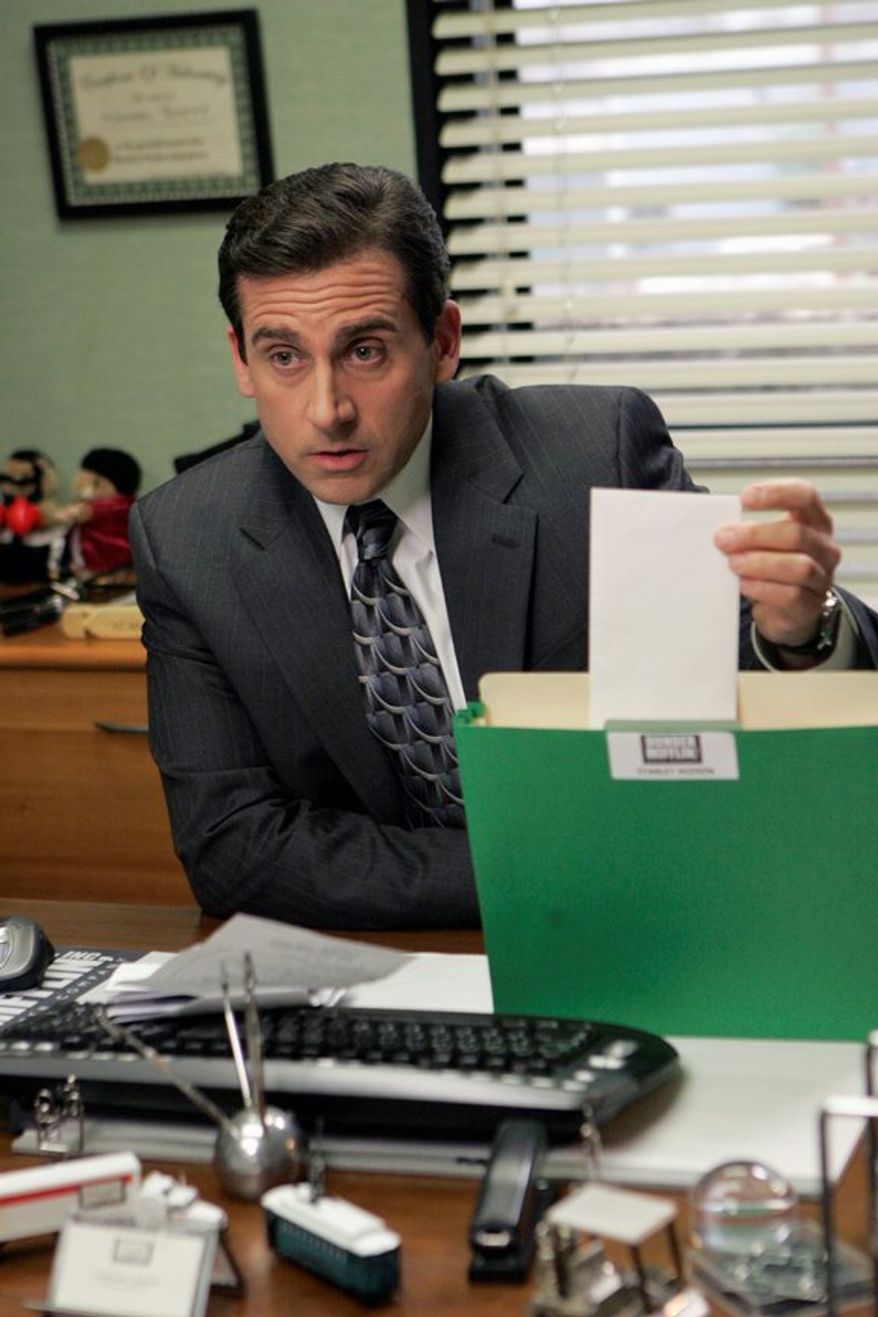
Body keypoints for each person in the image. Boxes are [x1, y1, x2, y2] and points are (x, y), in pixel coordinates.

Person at [129, 162, 878, 930]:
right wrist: (555, 867)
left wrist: (801, 631)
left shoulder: (593, 458)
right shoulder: (188, 540)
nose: (327, 410)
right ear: (240, 359)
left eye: (365, 350)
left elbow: (743, 718)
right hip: (391, 959)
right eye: (284, 355)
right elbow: (233, 849)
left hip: (648, 934)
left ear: (443, 341)